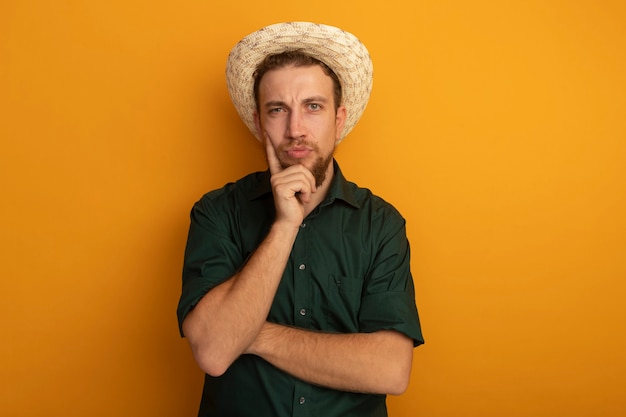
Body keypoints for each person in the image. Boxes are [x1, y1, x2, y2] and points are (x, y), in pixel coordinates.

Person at [177, 21, 424, 417]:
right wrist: (285, 224)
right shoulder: (217, 212)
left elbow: (391, 370)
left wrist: (249, 334)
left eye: (313, 106)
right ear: (259, 123)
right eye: (278, 110)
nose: (295, 130)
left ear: (338, 120)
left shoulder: (380, 223)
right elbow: (215, 353)